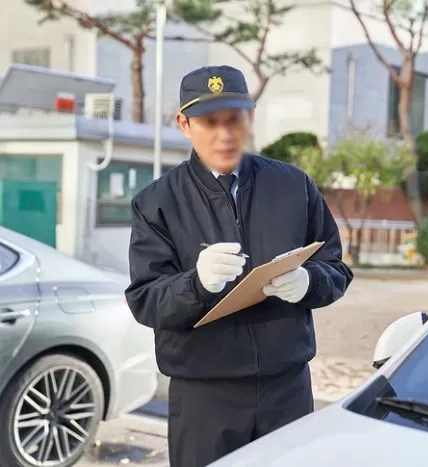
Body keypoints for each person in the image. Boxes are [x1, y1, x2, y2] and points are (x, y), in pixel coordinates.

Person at [124, 65, 353, 467]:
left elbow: (335, 266)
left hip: (287, 387)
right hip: (205, 395)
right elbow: (146, 299)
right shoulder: (157, 202)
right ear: (184, 123)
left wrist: (309, 281)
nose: (224, 134)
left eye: (234, 119)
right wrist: (196, 284)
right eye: (210, 122)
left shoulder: (294, 186)